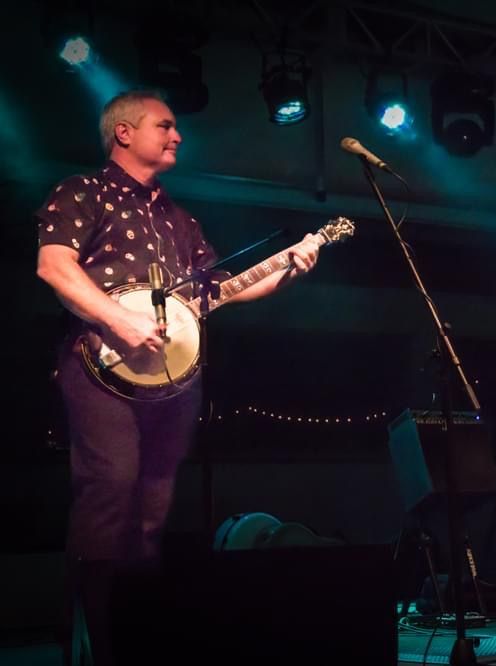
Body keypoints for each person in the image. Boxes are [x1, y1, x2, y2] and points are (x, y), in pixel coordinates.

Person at [35, 90, 322, 664]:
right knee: (110, 488)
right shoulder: (82, 192)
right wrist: (118, 319)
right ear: (123, 133)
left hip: (172, 382)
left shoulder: (179, 219)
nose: (178, 136)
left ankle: (139, 634)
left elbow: (220, 292)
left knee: (154, 508)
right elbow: (53, 265)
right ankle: (90, 637)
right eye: (165, 126)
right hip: (100, 368)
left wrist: (291, 263)